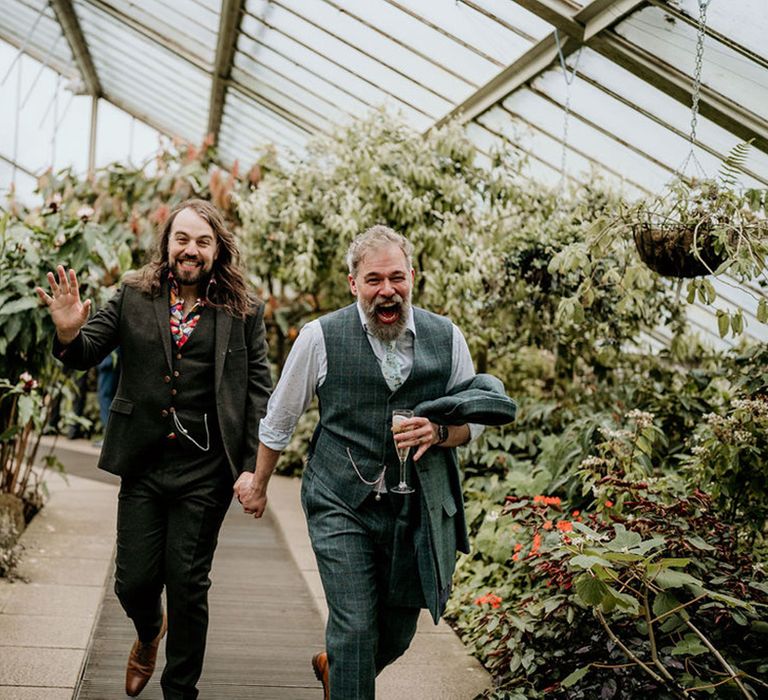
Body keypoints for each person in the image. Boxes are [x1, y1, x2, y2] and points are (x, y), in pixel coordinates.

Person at [234, 225, 515, 699]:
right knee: (356, 627)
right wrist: (259, 484)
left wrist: (441, 432)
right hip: (340, 498)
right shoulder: (320, 337)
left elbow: (478, 421)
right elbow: (281, 415)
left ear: (412, 277)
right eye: (374, 279)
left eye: (397, 278)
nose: (387, 290)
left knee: (397, 635)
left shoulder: (447, 338)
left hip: (414, 508)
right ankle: (345, 665)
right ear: (353, 283)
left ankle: (336, 667)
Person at [36, 199, 272, 700]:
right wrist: (66, 328)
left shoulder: (244, 309)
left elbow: (257, 391)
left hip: (207, 470)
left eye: (202, 241)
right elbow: (85, 353)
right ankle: (147, 632)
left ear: (217, 249)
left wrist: (254, 470)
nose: (191, 249)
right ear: (167, 243)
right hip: (144, 462)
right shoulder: (132, 295)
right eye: (182, 239)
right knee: (134, 583)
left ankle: (180, 689)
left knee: (188, 585)